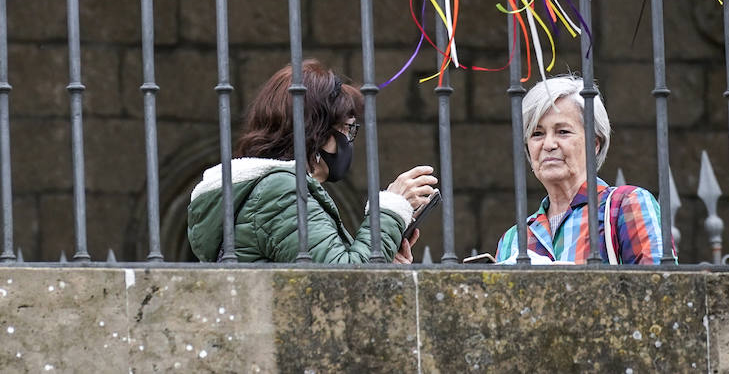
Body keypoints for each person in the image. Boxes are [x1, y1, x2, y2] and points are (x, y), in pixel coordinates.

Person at [187, 59, 437, 263]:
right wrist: (390, 208)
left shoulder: (271, 191)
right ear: (315, 133)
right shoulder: (279, 192)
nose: (348, 140)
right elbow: (342, 280)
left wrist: (384, 262)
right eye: (347, 128)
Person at [495, 76, 667, 264]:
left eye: (563, 132)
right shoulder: (512, 240)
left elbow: (658, 280)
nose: (549, 144)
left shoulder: (626, 205)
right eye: (537, 134)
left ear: (594, 144)